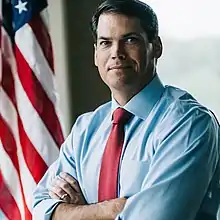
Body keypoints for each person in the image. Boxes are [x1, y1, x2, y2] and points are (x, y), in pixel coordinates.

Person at [32, 0, 220, 219]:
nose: (116, 53)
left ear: (156, 47)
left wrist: (77, 212)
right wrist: (110, 209)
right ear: (95, 54)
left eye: (130, 40)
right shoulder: (86, 129)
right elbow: (40, 207)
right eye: (105, 43)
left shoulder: (188, 123)